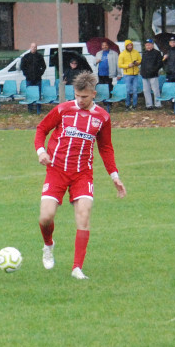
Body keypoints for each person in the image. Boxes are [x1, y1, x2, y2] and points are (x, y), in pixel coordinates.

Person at [34, 71, 127, 280]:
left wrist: (115, 176)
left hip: (82, 174)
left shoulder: (102, 117)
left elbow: (106, 148)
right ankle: (48, 244)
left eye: (84, 96)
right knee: (46, 217)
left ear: (94, 94)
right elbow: (41, 129)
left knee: (84, 216)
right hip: (56, 170)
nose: (80, 100)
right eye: (77, 95)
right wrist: (41, 151)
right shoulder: (63, 110)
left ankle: (77, 268)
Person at [20, 43, 47, 113]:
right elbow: (22, 67)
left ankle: (38, 108)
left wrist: (40, 74)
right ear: (30, 47)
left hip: (38, 79)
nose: (34, 48)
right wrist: (26, 74)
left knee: (38, 93)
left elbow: (44, 66)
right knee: (29, 94)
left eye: (35, 47)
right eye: (32, 47)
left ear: (36, 48)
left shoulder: (40, 56)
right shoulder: (26, 56)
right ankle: (30, 108)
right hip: (29, 79)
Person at [139, 39, 163, 110]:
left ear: (152, 45)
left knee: (155, 90)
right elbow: (143, 63)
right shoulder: (144, 53)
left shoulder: (157, 53)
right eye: (146, 45)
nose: (148, 46)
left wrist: (154, 70)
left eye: (149, 45)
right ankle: (149, 105)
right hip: (144, 75)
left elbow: (160, 63)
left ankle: (157, 104)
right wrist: (142, 72)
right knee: (146, 90)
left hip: (153, 74)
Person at [118, 40, 141, 109]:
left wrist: (137, 63)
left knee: (135, 90)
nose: (130, 47)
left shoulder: (136, 52)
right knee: (127, 90)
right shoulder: (122, 54)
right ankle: (127, 104)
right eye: (128, 45)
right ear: (126, 46)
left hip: (135, 74)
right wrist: (128, 65)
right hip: (127, 74)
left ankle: (134, 105)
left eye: (131, 45)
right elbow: (120, 65)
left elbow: (140, 60)